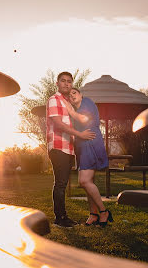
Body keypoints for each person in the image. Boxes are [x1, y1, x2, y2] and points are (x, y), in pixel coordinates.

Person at [46, 72, 96, 228]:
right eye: (63, 81)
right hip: (58, 146)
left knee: (63, 183)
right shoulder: (54, 100)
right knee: (60, 184)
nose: (66, 84)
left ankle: (62, 216)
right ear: (57, 83)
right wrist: (80, 134)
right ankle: (60, 218)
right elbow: (59, 124)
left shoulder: (67, 102)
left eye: (69, 81)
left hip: (68, 148)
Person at [62, 88, 113, 227]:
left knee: (84, 181)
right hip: (81, 147)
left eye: (74, 93)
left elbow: (85, 119)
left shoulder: (87, 103)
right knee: (88, 181)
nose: (72, 95)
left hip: (90, 143)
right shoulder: (76, 110)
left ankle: (104, 211)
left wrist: (71, 111)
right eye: (69, 95)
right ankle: (93, 213)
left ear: (81, 95)